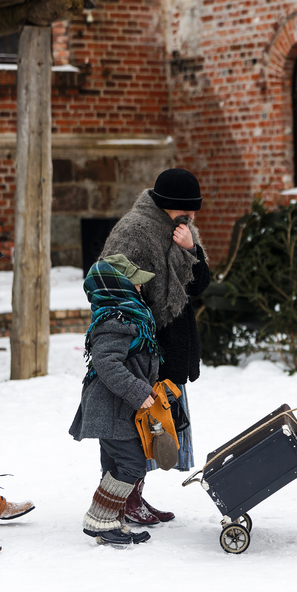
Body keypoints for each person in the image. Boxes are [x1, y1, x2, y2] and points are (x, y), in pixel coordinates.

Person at [100, 168, 210, 525]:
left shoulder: (182, 232)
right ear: (169, 205)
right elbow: (111, 289)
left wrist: (191, 250)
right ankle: (123, 501)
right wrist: (132, 339)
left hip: (174, 344)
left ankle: (134, 498)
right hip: (143, 347)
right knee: (137, 426)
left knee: (156, 423)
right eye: (188, 210)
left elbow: (198, 286)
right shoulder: (133, 232)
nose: (193, 217)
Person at [69, 255, 161, 545]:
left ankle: (110, 522)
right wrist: (138, 390)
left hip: (118, 407)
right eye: (134, 282)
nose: (139, 287)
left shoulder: (128, 313)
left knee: (113, 466)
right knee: (133, 464)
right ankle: (99, 521)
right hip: (111, 408)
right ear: (117, 285)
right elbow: (106, 362)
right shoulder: (115, 318)